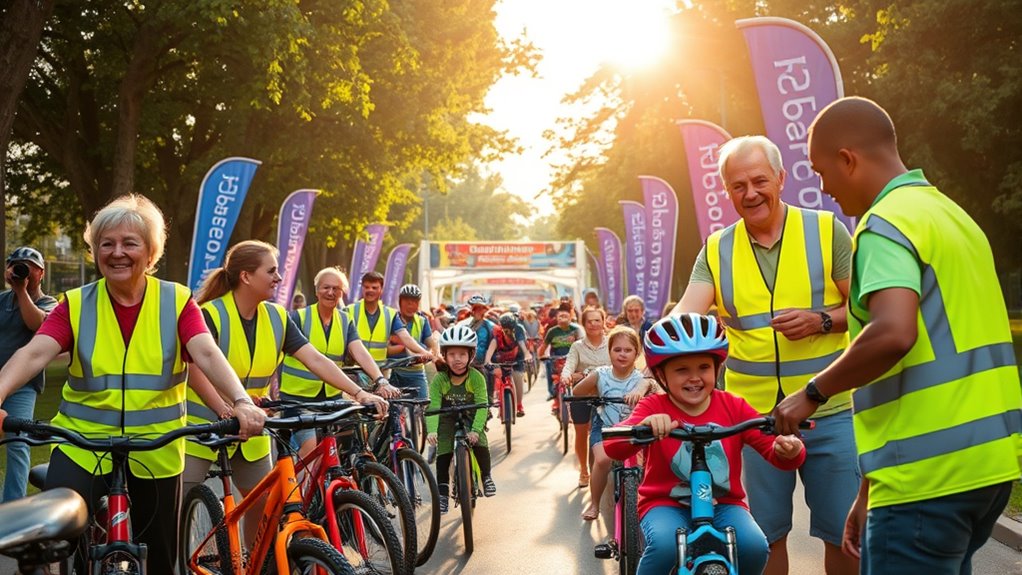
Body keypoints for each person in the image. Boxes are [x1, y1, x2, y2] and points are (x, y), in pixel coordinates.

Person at [773, 96, 1022, 574]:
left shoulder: (884, 225)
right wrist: (868, 489)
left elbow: (893, 332)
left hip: (926, 476)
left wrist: (812, 393)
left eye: (822, 172)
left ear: (848, 159)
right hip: (987, 468)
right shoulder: (953, 217)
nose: (823, 189)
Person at [0, 195, 266, 572]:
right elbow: (33, 354)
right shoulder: (76, 303)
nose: (117, 252)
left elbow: (205, 352)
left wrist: (240, 400)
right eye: (106, 243)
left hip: (156, 448)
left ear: (150, 251)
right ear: (95, 251)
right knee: (58, 540)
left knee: (160, 555)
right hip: (81, 444)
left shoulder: (175, 300)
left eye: (129, 243)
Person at [673, 134, 859, 575]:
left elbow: (865, 307)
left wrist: (822, 320)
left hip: (830, 409)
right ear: (727, 191)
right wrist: (644, 365)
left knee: (842, 534)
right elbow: (684, 316)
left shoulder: (826, 229)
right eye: (738, 186)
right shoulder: (717, 248)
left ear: (781, 177)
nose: (750, 193)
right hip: (755, 420)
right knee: (764, 536)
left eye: (759, 181)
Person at [183, 240, 392, 548]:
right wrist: (226, 409)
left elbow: (317, 359)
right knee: (178, 513)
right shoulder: (210, 314)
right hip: (205, 427)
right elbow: (194, 370)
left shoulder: (277, 317)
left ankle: (254, 563)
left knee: (266, 509)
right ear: (246, 276)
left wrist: (361, 393)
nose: (279, 278)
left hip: (254, 426)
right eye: (272, 271)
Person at [604, 313, 806, 575]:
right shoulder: (653, 405)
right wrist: (645, 426)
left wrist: (790, 449)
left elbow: (773, 448)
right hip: (664, 504)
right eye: (682, 370)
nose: (694, 377)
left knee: (755, 546)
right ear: (661, 375)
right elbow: (615, 445)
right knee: (664, 546)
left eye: (703, 367)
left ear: (717, 368)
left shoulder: (733, 406)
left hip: (725, 504)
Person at [279, 266, 394, 456]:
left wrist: (380, 380)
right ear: (316, 290)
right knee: (311, 449)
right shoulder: (297, 318)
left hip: (332, 398)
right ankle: (297, 486)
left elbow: (360, 352)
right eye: (326, 287)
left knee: (345, 445)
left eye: (336, 289)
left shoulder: (345, 320)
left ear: (342, 293)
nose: (331, 292)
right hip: (298, 400)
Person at [571, 325, 651, 521]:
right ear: (609, 352)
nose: (622, 354)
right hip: (604, 426)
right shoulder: (601, 373)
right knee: (603, 460)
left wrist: (644, 391)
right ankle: (595, 504)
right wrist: (591, 387)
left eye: (628, 350)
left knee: (645, 463)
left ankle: (646, 503)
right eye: (617, 350)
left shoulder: (640, 379)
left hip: (631, 427)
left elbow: (655, 391)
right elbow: (577, 392)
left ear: (637, 353)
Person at [0, 247, 57, 503]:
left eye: (28, 266)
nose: (22, 270)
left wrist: (21, 291)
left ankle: (13, 507)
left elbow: (36, 324)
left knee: (18, 445)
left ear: (41, 272)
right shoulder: (2, 300)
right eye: (16, 265)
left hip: (23, 386)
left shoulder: (49, 303)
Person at [426, 324, 497, 513]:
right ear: (445, 355)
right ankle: (442, 493)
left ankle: (486, 476)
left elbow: (482, 406)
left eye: (462, 355)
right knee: (444, 449)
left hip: (472, 413)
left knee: (480, 440)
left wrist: (475, 430)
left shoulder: (476, 377)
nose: (457, 359)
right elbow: (433, 407)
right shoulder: (440, 379)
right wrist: (432, 430)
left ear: (471, 356)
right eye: (452, 354)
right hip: (447, 416)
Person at [561, 306, 611, 489]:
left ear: (603, 322)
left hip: (606, 395)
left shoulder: (612, 342)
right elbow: (569, 365)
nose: (593, 324)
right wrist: (567, 376)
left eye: (597, 320)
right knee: (581, 433)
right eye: (589, 321)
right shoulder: (577, 346)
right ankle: (583, 470)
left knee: (607, 431)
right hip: (581, 394)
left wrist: (584, 373)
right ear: (584, 324)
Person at [347, 271, 432, 366]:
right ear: (362, 288)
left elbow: (406, 338)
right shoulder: (349, 311)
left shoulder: (390, 314)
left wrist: (425, 353)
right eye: (366, 287)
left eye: (374, 288)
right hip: (355, 370)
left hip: (379, 371)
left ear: (381, 290)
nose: (370, 290)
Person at [388, 283, 440, 399]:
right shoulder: (391, 319)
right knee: (393, 409)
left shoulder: (422, 320)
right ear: (400, 302)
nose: (410, 305)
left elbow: (431, 343)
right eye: (407, 301)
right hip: (395, 373)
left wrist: (433, 352)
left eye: (415, 301)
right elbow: (387, 350)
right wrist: (405, 348)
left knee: (422, 406)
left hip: (416, 373)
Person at [483, 312, 532, 417]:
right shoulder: (497, 333)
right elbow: (492, 347)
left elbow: (522, 344)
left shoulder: (519, 330)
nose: (507, 331)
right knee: (497, 375)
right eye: (504, 328)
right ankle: (501, 401)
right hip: (500, 359)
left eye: (509, 328)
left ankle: (519, 405)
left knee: (517, 377)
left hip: (516, 359)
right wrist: (487, 361)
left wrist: (527, 355)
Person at [537, 306, 582, 402]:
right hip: (556, 359)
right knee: (548, 364)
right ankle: (552, 392)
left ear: (570, 317)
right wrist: (541, 356)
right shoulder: (552, 331)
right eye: (560, 316)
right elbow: (543, 347)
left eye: (565, 315)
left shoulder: (576, 329)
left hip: (572, 359)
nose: (563, 318)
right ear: (557, 318)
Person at [457, 295, 497, 397]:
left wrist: (489, 360)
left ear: (485, 310)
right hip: (465, 362)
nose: (478, 311)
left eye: (481, 308)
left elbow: (495, 343)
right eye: (476, 308)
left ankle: (488, 404)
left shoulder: (490, 326)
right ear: (472, 309)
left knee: (488, 375)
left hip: (482, 363)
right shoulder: (462, 325)